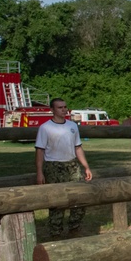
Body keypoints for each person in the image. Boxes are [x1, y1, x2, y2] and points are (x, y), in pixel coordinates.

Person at [35, 98, 93, 238]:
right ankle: (56, 232)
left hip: (71, 165)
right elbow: (40, 151)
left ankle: (74, 228)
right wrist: (39, 172)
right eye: (60, 107)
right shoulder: (45, 128)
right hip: (53, 166)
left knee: (80, 198)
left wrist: (86, 167)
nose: (64, 110)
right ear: (52, 110)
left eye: (65, 107)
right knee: (56, 201)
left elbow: (78, 147)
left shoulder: (72, 126)